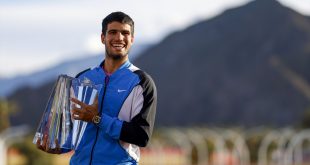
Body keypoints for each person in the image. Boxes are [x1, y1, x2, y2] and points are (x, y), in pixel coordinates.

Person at [37, 11, 157, 165]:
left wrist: (98, 118)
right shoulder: (83, 78)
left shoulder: (141, 82)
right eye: (113, 32)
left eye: (125, 33)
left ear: (131, 39)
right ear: (103, 38)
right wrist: (57, 146)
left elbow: (142, 136)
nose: (119, 38)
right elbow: (74, 132)